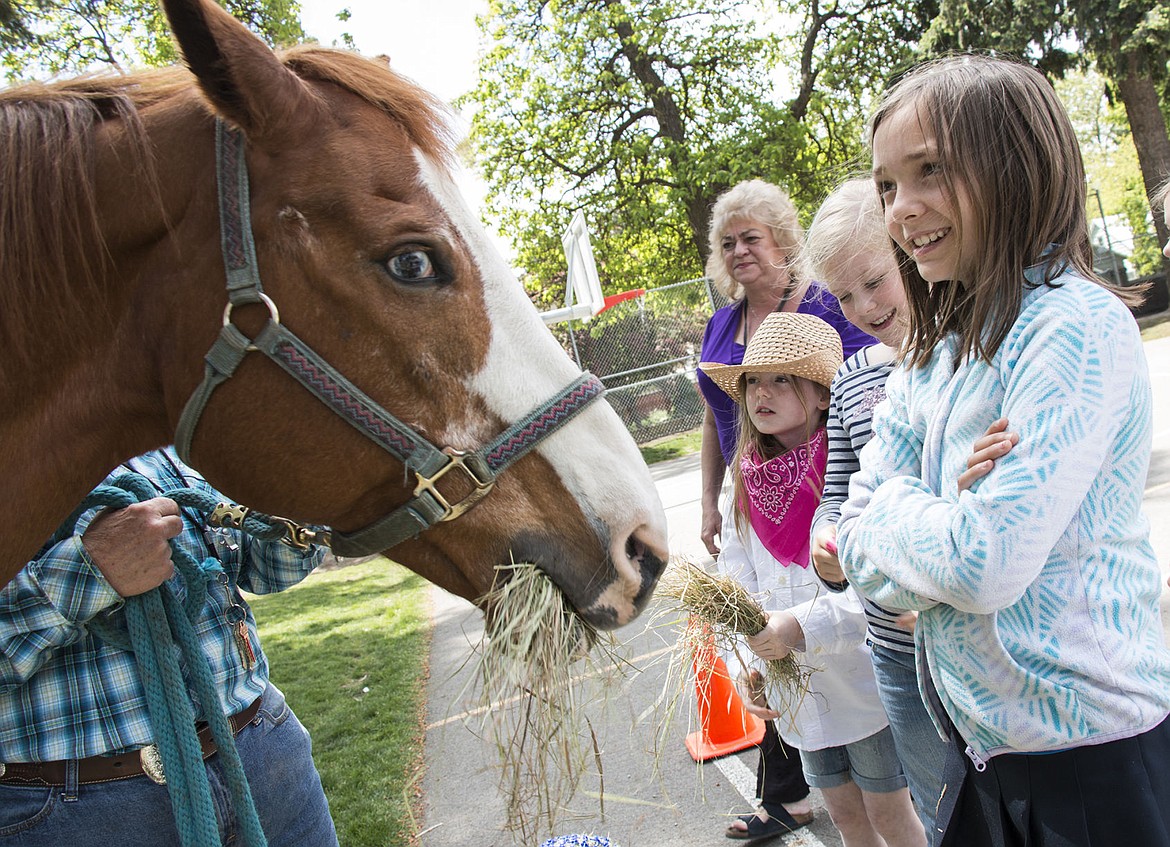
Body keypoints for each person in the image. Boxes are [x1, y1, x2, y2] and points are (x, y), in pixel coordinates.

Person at [837, 55, 1170, 846]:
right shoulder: (935, 352)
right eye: (887, 185)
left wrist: (907, 511)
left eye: (930, 172)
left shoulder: (1073, 326)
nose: (900, 209)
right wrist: (941, 507)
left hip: (1092, 763)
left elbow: (983, 563)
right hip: (985, 759)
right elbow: (852, 542)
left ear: (1015, 165)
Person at [803, 177, 1017, 837]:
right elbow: (837, 495)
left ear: (909, 253)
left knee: (1006, 801)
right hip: (894, 651)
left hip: (978, 639)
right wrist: (829, 537)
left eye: (875, 280)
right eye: (843, 294)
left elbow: (987, 497)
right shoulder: (852, 381)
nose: (863, 306)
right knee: (942, 810)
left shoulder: (976, 358)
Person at [0, 447, 339, 847]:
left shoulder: (168, 448)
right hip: (87, 815)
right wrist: (89, 573)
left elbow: (269, 570)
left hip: (268, 757)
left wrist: (306, 488)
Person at [700, 312, 926, 847]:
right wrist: (747, 666)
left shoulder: (851, 470)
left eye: (783, 378)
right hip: (795, 692)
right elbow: (735, 585)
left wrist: (799, 627)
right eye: (754, 379)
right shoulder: (746, 481)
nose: (763, 392)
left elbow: (872, 584)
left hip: (863, 680)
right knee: (846, 817)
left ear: (824, 395)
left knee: (891, 814)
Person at [696, 178, 876, 836]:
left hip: (827, 476)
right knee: (769, 625)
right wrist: (716, 499)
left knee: (823, 612)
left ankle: (820, 786)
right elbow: (714, 414)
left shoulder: (827, 303)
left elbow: (864, 380)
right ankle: (792, 793)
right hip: (753, 485)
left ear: (782, 241)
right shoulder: (723, 323)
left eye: (752, 237)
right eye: (727, 242)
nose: (739, 250)